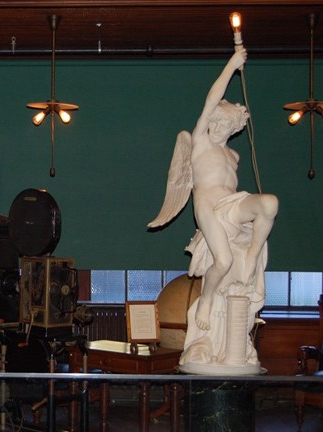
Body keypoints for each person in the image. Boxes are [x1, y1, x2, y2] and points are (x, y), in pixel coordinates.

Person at [148, 48, 278, 370]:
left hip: (232, 205)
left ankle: (250, 256)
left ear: (234, 128)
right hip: (207, 207)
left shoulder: (233, 156)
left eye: (225, 125)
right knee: (222, 260)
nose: (218, 127)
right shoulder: (200, 142)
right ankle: (205, 303)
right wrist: (232, 65)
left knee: (269, 204)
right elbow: (211, 99)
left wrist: (250, 247)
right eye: (216, 122)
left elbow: (245, 196)